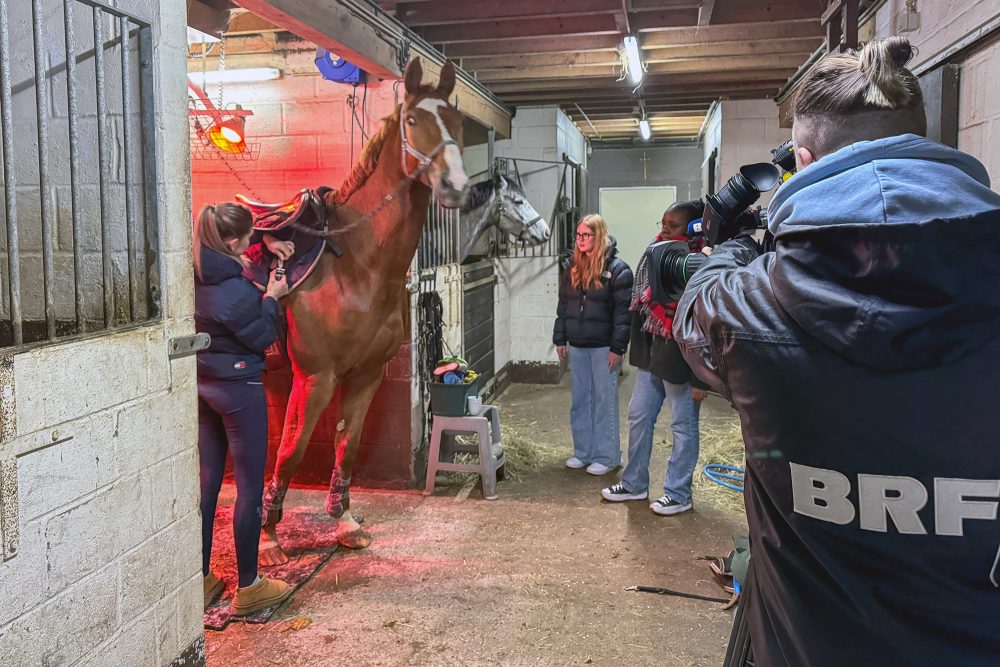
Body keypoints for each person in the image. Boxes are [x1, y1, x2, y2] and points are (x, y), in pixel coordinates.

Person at [673, 37, 1000, 665]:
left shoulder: (749, 307)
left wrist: (736, 248)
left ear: (801, 157)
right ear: (928, 142)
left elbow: (695, 309)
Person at [194, 202, 294, 616]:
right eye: (249, 237)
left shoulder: (196, 270)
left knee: (207, 484)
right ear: (232, 241)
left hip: (204, 385)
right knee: (250, 487)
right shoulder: (235, 292)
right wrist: (272, 298)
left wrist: (269, 241)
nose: (253, 242)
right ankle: (250, 586)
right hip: (240, 388)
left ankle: (199, 580)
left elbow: (243, 257)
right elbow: (262, 336)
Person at [601, 201, 709, 515]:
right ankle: (634, 484)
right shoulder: (655, 255)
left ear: (692, 229)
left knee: (682, 426)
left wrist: (701, 379)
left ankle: (678, 494)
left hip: (683, 362)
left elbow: (706, 325)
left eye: (672, 226)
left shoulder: (701, 264)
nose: (663, 230)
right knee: (638, 416)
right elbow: (644, 308)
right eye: (662, 223)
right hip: (653, 356)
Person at [553, 214, 633, 475]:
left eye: (586, 235)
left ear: (598, 236)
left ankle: (608, 456)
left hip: (603, 348)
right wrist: (560, 338)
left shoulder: (618, 270)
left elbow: (623, 314)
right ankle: (583, 452)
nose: (581, 240)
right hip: (577, 345)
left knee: (603, 401)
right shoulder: (572, 268)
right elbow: (563, 306)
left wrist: (618, 348)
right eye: (578, 236)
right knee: (580, 400)